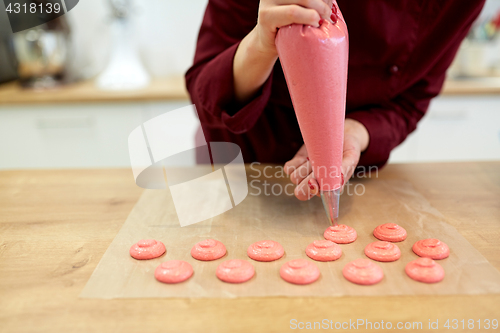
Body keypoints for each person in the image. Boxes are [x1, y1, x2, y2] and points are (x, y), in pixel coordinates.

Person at [185, 0, 485, 200]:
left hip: (355, 179)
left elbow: (411, 101)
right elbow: (204, 91)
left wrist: (356, 131)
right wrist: (262, 43)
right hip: (243, 170)